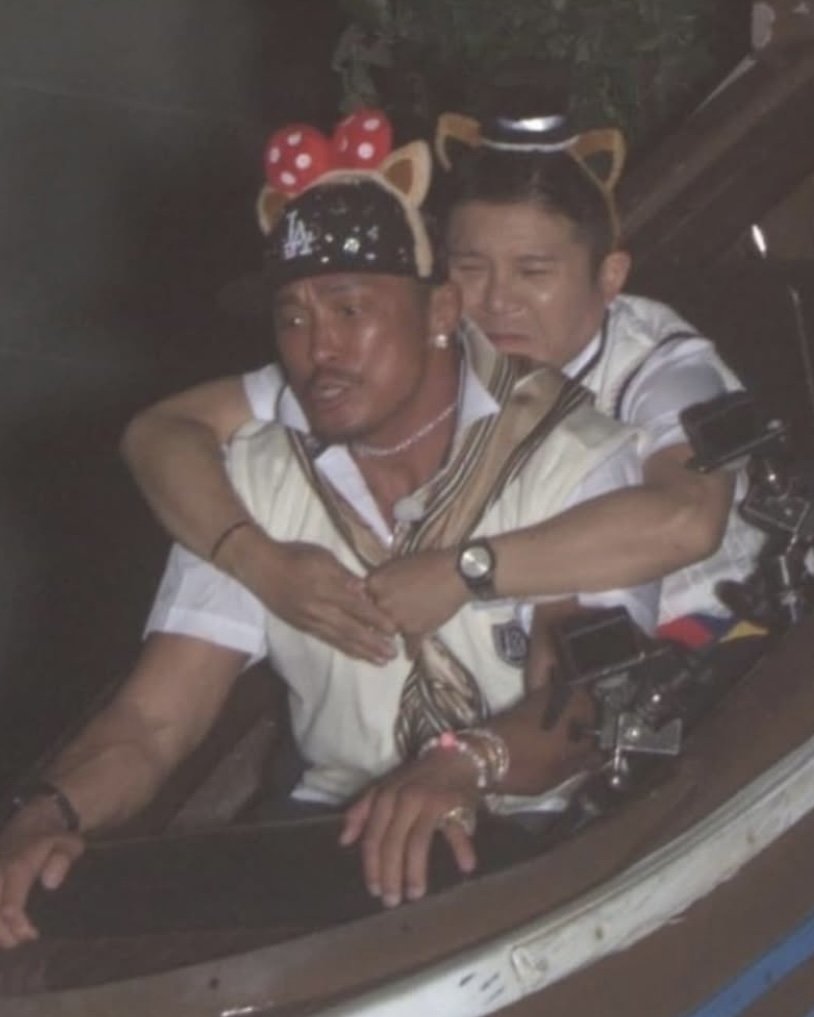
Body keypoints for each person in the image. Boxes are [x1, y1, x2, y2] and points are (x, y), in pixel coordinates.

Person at [0, 123, 655, 948]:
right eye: (293, 318)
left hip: (535, 841)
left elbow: (583, 705)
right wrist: (47, 810)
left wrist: (461, 763)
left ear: (440, 310)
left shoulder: (568, 456)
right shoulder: (254, 481)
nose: (320, 349)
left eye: (351, 310)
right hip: (324, 844)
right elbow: (153, 721)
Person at [121, 105, 764, 661]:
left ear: (610, 276)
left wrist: (466, 571)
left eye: (533, 272)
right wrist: (262, 566)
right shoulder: (421, 350)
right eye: (471, 268)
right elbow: (161, 433)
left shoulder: (661, 365)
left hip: (724, 648)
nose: (497, 302)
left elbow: (687, 520)